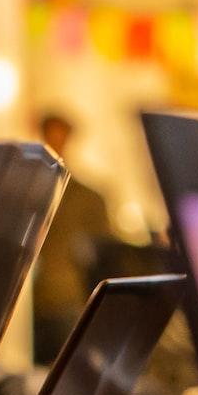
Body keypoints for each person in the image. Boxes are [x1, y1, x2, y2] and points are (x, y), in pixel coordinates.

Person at [32, 111, 113, 358]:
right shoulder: (30, 193)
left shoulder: (88, 197)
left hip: (69, 300)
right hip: (33, 301)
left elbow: (104, 256)